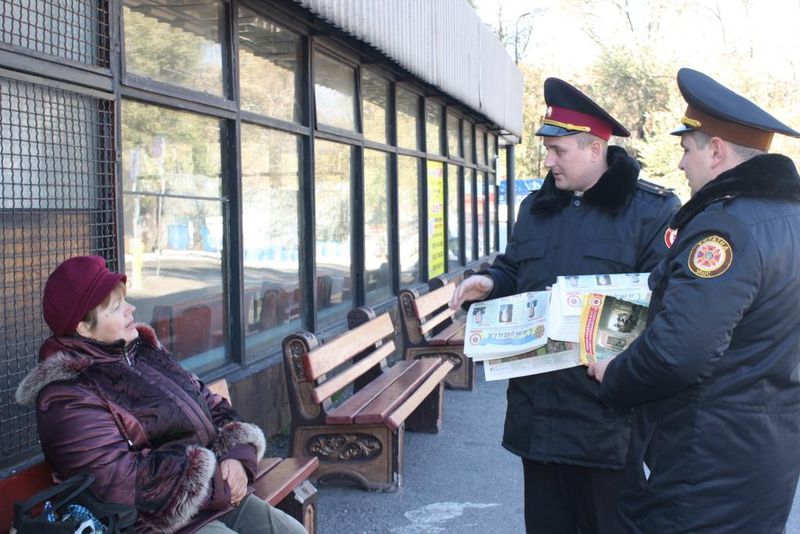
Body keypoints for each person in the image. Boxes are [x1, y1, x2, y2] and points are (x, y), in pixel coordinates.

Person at [450, 78, 680, 533]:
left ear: (594, 148)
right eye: (548, 149)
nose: (548, 160)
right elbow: (516, 271)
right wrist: (489, 281)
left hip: (607, 422)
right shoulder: (536, 208)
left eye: (559, 150)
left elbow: (665, 302)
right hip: (538, 414)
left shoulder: (652, 212)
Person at [588, 68, 800, 532]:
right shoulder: (790, 219)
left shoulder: (724, 230)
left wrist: (615, 376)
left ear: (717, 151)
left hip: (707, 459)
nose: (681, 164)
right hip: (768, 450)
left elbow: (679, 353)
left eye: (687, 149)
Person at [15, 256, 306, 534]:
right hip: (149, 524)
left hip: (211, 498)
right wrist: (217, 481)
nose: (130, 309)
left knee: (292, 530)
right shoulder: (69, 395)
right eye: (116, 307)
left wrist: (238, 457)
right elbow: (120, 483)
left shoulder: (144, 353)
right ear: (83, 328)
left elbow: (211, 403)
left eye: (125, 300)